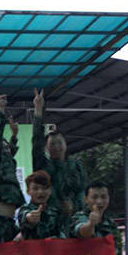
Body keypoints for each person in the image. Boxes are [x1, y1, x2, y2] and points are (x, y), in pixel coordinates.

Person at [32, 88, 87, 225]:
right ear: (46, 148)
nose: (56, 146)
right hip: (49, 221)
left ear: (65, 144)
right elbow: (37, 140)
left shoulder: (76, 166)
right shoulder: (43, 165)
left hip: (76, 221)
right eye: (52, 144)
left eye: (59, 142)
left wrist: (74, 207)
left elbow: (83, 191)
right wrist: (38, 110)